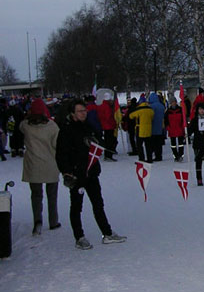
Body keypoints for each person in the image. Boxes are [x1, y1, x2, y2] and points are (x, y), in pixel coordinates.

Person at [55, 99, 127, 250]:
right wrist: (66, 172)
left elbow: (100, 141)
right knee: (76, 207)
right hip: (76, 174)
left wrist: (95, 141)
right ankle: (79, 237)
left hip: (91, 173)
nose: (83, 113)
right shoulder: (66, 130)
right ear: (73, 113)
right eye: (80, 111)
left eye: (85, 111)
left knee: (98, 204)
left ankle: (107, 233)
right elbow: (61, 154)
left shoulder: (89, 126)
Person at [19, 98, 61, 235]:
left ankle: (37, 222)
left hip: (33, 165)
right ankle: (53, 221)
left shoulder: (25, 126)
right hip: (50, 164)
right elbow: (57, 145)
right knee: (52, 196)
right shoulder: (52, 126)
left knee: (36, 195)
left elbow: (20, 126)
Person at [129, 96, 155, 163]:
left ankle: (141, 158)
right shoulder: (150, 110)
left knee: (139, 145)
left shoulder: (138, 110)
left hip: (140, 129)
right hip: (148, 129)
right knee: (148, 145)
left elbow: (131, 116)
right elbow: (152, 117)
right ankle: (150, 158)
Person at [96, 93, 117, 161]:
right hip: (109, 126)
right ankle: (108, 155)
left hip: (104, 126)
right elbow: (108, 117)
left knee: (107, 141)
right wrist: (114, 123)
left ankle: (107, 155)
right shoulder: (107, 107)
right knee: (110, 142)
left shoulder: (101, 106)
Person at [165, 97, 186, 162]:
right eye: (171, 102)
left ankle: (181, 155)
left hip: (179, 129)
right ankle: (175, 156)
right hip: (172, 129)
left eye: (174, 102)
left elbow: (183, 119)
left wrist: (183, 127)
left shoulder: (180, 109)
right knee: (173, 145)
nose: (173, 103)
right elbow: (166, 121)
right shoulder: (168, 111)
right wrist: (168, 128)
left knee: (181, 144)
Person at [148, 92, 165, 161]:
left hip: (153, 127)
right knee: (159, 143)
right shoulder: (161, 106)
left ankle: (153, 154)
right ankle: (159, 156)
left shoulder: (151, 107)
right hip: (160, 127)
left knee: (153, 143)